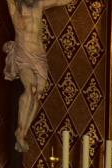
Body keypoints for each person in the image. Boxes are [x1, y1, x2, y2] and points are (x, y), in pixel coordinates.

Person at [4, 0, 74, 153]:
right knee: (30, 89)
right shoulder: (15, 9)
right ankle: (20, 131)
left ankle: (24, 130)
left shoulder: (39, 4)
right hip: (23, 55)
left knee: (38, 94)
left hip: (39, 56)